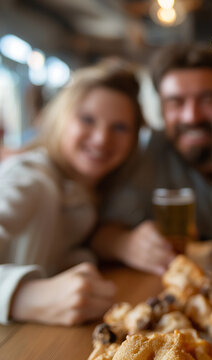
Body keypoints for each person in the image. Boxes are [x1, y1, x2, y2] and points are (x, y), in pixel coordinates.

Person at [0, 62, 143, 326]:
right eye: (87, 119)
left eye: (120, 128)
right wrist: (24, 297)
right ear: (60, 117)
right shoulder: (29, 177)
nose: (101, 138)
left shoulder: (88, 193)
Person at [92, 44, 212, 275]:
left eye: (207, 99)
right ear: (161, 109)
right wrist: (126, 244)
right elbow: (102, 234)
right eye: (176, 102)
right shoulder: (150, 152)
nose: (191, 116)